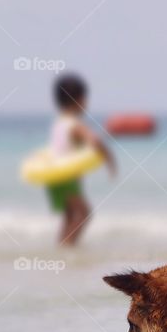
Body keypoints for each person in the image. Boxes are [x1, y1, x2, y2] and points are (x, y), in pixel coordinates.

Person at [48, 73, 117, 245]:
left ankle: (62, 250)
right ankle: (68, 247)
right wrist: (110, 161)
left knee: (69, 217)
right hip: (67, 178)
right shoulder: (75, 124)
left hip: (54, 178)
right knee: (85, 214)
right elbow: (94, 141)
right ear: (79, 99)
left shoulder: (59, 123)